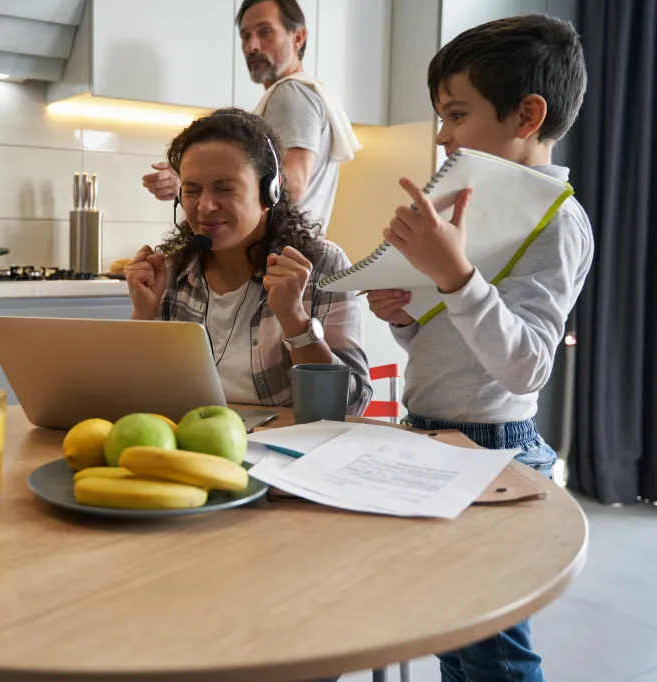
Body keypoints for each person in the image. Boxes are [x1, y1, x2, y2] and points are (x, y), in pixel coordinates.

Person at [365, 14, 591, 682]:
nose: (441, 136)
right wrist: (405, 315)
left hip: (492, 446)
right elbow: (455, 340)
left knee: (490, 651)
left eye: (455, 114)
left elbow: (524, 365)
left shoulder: (558, 223)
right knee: (454, 633)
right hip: (434, 437)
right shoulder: (478, 206)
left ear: (527, 114)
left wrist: (456, 275)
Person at [127, 108, 371, 416]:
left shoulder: (322, 265)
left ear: (270, 190)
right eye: (191, 190)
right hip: (189, 444)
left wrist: (294, 318)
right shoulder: (172, 270)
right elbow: (134, 397)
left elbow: (351, 405)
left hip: (287, 452)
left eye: (225, 188)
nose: (204, 206)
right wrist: (142, 315)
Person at [142, 0, 361, 237]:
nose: (252, 46)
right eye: (245, 36)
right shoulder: (302, 93)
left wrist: (197, 182)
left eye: (265, 32)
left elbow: (293, 186)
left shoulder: (290, 94)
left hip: (278, 258)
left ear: (298, 37)